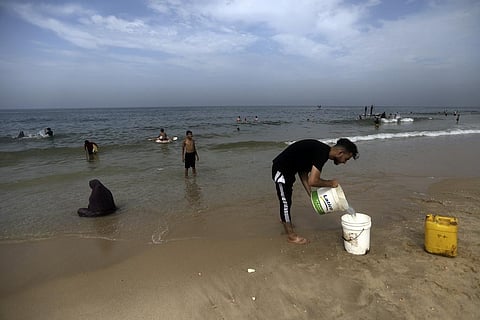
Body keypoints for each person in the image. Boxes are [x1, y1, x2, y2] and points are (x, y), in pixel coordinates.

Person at [272, 138, 359, 244]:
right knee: (285, 202)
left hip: (289, 172)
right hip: (281, 171)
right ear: (340, 153)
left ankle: (285, 221)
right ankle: (291, 236)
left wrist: (312, 195)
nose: (344, 162)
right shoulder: (321, 153)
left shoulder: (320, 151)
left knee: (287, 199)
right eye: (346, 159)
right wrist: (331, 183)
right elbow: (313, 181)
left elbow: (303, 172)